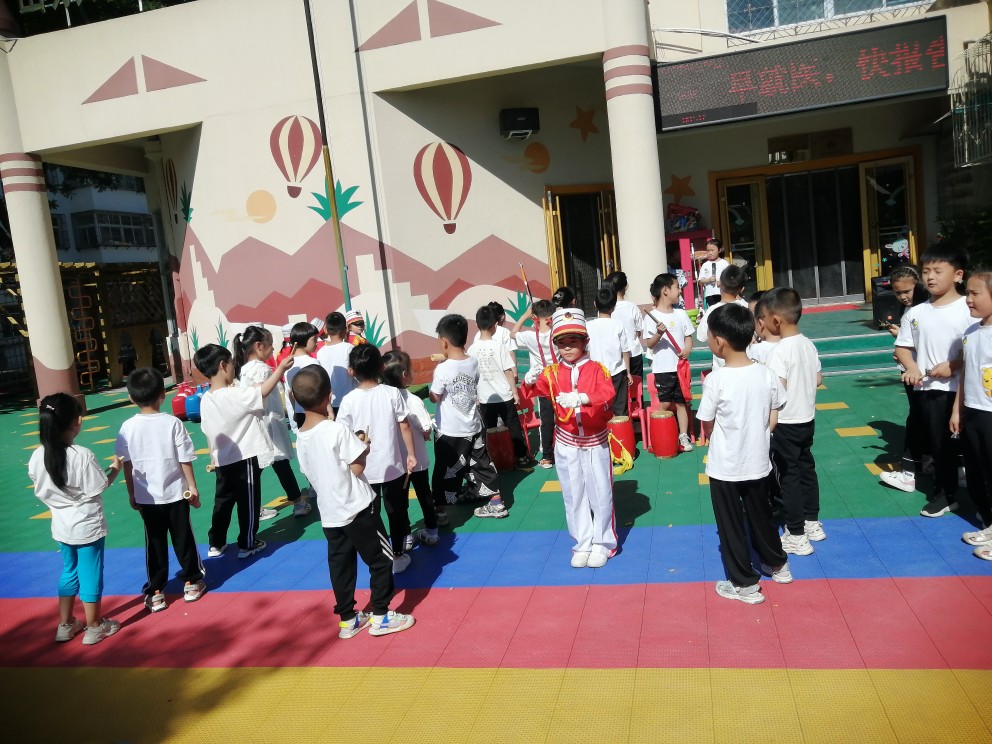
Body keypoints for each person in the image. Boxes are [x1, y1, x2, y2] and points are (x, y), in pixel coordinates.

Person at [291, 366, 415, 637]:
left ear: (295, 398)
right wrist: (365, 447)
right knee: (381, 560)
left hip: (330, 513)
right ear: (329, 396)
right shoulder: (336, 430)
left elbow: (310, 470)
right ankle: (381, 615)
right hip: (357, 507)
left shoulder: (300, 437)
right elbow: (357, 468)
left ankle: (348, 619)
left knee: (341, 565)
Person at [697, 304, 792, 604]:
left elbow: (707, 422)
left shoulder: (716, 380)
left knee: (730, 525)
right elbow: (774, 417)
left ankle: (744, 583)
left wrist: (717, 437)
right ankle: (777, 564)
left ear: (719, 342)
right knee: (761, 515)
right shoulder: (766, 374)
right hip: (758, 461)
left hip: (725, 465)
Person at [522, 308, 617, 567]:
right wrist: (529, 381)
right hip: (566, 443)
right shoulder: (551, 372)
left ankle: (603, 542)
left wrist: (584, 398)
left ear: (585, 341)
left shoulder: (598, 369)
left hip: (594, 442)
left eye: (573, 341)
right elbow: (532, 392)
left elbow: (608, 394)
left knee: (600, 493)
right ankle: (582, 542)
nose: (567, 347)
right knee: (574, 495)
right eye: (561, 342)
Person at [29, 392, 123, 645]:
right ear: (77, 421)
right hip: (86, 525)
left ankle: (66, 624)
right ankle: (94, 626)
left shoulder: (38, 455)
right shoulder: (81, 455)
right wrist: (115, 468)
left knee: (69, 571)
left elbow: (39, 483)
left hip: (61, 525)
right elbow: (98, 486)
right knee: (91, 573)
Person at [887, 245, 971, 516]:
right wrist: (911, 367)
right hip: (929, 390)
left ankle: (978, 494)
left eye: (938, 271)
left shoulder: (969, 308)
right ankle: (945, 494)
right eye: (926, 272)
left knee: (974, 444)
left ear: (958, 275)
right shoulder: (915, 313)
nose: (930, 277)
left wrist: (954, 365)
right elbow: (903, 347)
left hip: (968, 390)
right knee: (939, 444)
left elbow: (980, 348)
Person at [116, 367, 206, 612]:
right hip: (176, 493)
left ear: (131, 397)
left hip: (147, 497)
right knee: (183, 538)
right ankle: (192, 581)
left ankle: (156, 591)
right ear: (162, 395)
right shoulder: (172, 423)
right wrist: (192, 486)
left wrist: (131, 492)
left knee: (154, 543)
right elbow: (184, 458)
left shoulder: (127, 427)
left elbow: (126, 463)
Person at [194, 343, 295, 559]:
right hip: (244, 457)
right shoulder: (235, 395)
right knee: (248, 501)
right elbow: (262, 392)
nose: (234, 367)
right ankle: (247, 542)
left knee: (223, 501)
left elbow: (207, 430)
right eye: (232, 363)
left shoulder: (206, 399)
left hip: (222, 459)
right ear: (223, 365)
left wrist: (212, 456)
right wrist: (280, 369)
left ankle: (216, 542)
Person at [336, 343, 418, 573]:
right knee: (397, 512)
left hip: (363, 469)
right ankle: (398, 554)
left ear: (351, 371)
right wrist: (411, 454)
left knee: (371, 514)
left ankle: (380, 556)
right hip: (393, 465)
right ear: (382, 366)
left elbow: (343, 434)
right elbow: (404, 426)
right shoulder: (392, 393)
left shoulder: (349, 400)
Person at [760, 287, 825, 556]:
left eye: (764, 318)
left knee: (788, 477)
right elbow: (818, 379)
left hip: (785, 423)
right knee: (807, 469)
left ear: (776, 320)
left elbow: (776, 391)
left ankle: (796, 534)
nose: (762, 323)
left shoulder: (779, 351)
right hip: (807, 419)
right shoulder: (808, 344)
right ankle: (812, 522)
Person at [431, 313, 507, 520]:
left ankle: (441, 512)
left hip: (450, 431)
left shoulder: (442, 369)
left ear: (444, 342)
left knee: (445, 469)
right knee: (482, 464)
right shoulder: (473, 362)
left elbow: (435, 396)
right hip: (474, 426)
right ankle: (496, 502)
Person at [234, 325, 310, 519]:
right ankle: (298, 502)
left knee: (261, 467)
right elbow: (261, 392)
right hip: (267, 422)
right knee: (280, 463)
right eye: (270, 344)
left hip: (258, 424)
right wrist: (280, 370)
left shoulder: (245, 369)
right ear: (259, 346)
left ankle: (255, 507)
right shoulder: (260, 369)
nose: (273, 348)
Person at [952, 270, 992, 560]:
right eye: (967, 293)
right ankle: (989, 523)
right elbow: (966, 373)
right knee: (977, 472)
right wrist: (958, 408)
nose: (968, 299)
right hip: (974, 412)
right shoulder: (970, 332)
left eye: (975, 293)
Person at [878, 266, 929, 487]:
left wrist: (902, 337)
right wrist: (901, 347)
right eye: (898, 292)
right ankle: (924, 462)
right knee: (920, 417)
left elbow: (929, 341)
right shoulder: (908, 310)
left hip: (925, 372)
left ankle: (911, 471)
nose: (903, 296)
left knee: (920, 419)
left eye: (907, 291)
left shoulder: (925, 309)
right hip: (911, 371)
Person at [381, 349, 439, 545]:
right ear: (405, 375)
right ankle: (432, 531)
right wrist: (425, 434)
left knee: (400, 500)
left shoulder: (383, 400)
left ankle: (405, 536)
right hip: (418, 459)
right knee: (424, 495)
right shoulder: (413, 400)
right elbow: (426, 428)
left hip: (396, 462)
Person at [469, 305, 532, 469]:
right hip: (505, 395)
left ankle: (492, 459)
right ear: (495, 325)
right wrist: (515, 392)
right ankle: (521, 457)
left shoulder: (471, 349)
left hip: (485, 398)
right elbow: (508, 371)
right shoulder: (499, 346)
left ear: (477, 324)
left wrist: (475, 395)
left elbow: (472, 375)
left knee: (488, 430)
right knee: (513, 426)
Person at [643, 273, 696, 452]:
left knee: (681, 403)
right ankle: (659, 434)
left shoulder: (681, 314)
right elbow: (649, 344)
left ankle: (683, 435)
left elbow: (688, 337)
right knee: (664, 403)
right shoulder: (651, 316)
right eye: (677, 287)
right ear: (665, 290)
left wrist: (687, 349)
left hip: (681, 367)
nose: (679, 291)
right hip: (663, 368)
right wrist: (659, 333)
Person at [511, 299, 558, 468]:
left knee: (546, 420)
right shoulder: (559, 333)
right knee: (567, 415)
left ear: (534, 318)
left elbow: (513, 333)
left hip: (544, 382)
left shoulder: (530, 337)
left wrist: (525, 316)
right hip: (562, 379)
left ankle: (547, 457)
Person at [587, 286, 632, 417]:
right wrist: (628, 372)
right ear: (614, 306)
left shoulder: (588, 326)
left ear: (595, 304)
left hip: (596, 374)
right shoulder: (618, 325)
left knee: (598, 409)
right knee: (620, 410)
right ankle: (621, 430)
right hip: (617, 373)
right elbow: (625, 351)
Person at [695, 264, 748, 369]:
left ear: (720, 284)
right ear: (742, 289)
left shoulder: (712, 310)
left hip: (721, 368)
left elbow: (701, 336)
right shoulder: (747, 308)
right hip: (745, 365)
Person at [316, 311, 356, 417]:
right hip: (350, 399)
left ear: (326, 330)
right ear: (345, 330)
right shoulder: (349, 348)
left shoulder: (321, 352)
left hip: (331, 402)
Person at [606, 271, 645, 379]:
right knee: (636, 386)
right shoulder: (632, 307)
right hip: (633, 352)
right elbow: (638, 331)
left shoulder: (606, 309)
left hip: (615, 355)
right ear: (626, 286)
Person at [283, 321, 320, 431]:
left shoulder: (287, 365)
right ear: (304, 340)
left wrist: (294, 412)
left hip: (299, 412)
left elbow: (290, 394)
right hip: (315, 412)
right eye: (314, 339)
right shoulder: (313, 362)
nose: (317, 343)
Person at [746, 290, 780, 365]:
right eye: (749, 312)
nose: (753, 317)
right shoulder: (750, 334)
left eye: (755, 312)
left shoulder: (758, 348)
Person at [697, 238, 730, 309]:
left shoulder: (724, 263)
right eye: (708, 250)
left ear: (719, 250)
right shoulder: (705, 265)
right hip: (710, 294)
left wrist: (722, 282)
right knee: (713, 311)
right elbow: (700, 280)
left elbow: (729, 278)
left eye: (712, 250)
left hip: (722, 293)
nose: (710, 253)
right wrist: (709, 280)